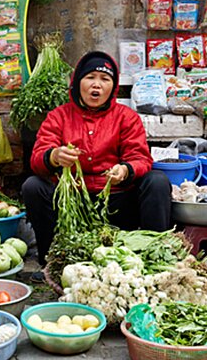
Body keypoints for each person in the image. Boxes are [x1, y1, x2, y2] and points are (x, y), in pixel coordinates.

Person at [22, 50, 171, 265]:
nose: (97, 85)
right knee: (32, 186)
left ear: (113, 87)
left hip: (116, 202)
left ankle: (153, 258)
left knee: (157, 181)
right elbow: (37, 158)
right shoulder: (59, 116)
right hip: (72, 204)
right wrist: (54, 157)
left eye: (105, 79)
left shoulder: (126, 117)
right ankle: (52, 262)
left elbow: (140, 158)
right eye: (90, 77)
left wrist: (125, 170)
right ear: (77, 83)